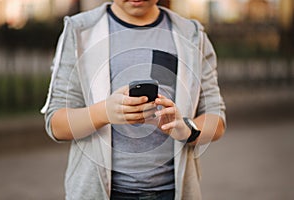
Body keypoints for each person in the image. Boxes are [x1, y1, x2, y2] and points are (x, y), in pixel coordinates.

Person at [41, 0, 226, 199]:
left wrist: (186, 129)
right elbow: (56, 124)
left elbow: (216, 120)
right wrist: (104, 112)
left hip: (172, 192)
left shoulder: (192, 34)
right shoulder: (80, 31)